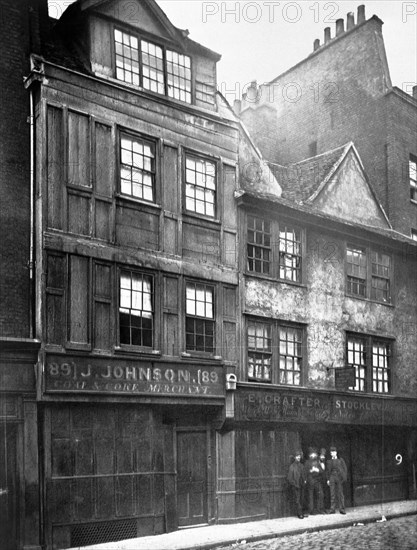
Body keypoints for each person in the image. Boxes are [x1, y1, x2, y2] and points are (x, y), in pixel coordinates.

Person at [326, 446, 347, 514]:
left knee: (340, 493)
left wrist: (344, 477)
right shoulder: (329, 461)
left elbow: (345, 469)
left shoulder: (340, 460)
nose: (333, 453)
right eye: (332, 452)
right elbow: (327, 471)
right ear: (330, 453)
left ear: (336, 452)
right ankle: (332, 509)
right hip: (332, 477)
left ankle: (342, 509)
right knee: (332, 494)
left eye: (334, 452)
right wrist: (328, 479)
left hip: (339, 477)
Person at [304, 447, 325, 515]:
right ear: (310, 455)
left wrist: (317, 470)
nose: (313, 456)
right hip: (310, 481)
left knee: (320, 494)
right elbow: (305, 472)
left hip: (317, 481)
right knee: (310, 496)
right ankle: (311, 510)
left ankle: (320, 509)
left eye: (314, 454)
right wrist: (311, 471)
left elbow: (322, 471)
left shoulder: (317, 462)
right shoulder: (307, 463)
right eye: (312, 454)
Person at [287, 450, 307, 519]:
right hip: (296, 486)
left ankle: (302, 512)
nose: (298, 457)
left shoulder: (302, 465)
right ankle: (299, 514)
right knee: (297, 500)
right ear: (295, 457)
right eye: (297, 456)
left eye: (299, 456)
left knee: (302, 499)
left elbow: (304, 474)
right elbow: (289, 478)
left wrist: (305, 480)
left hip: (302, 485)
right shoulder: (292, 466)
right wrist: (294, 484)